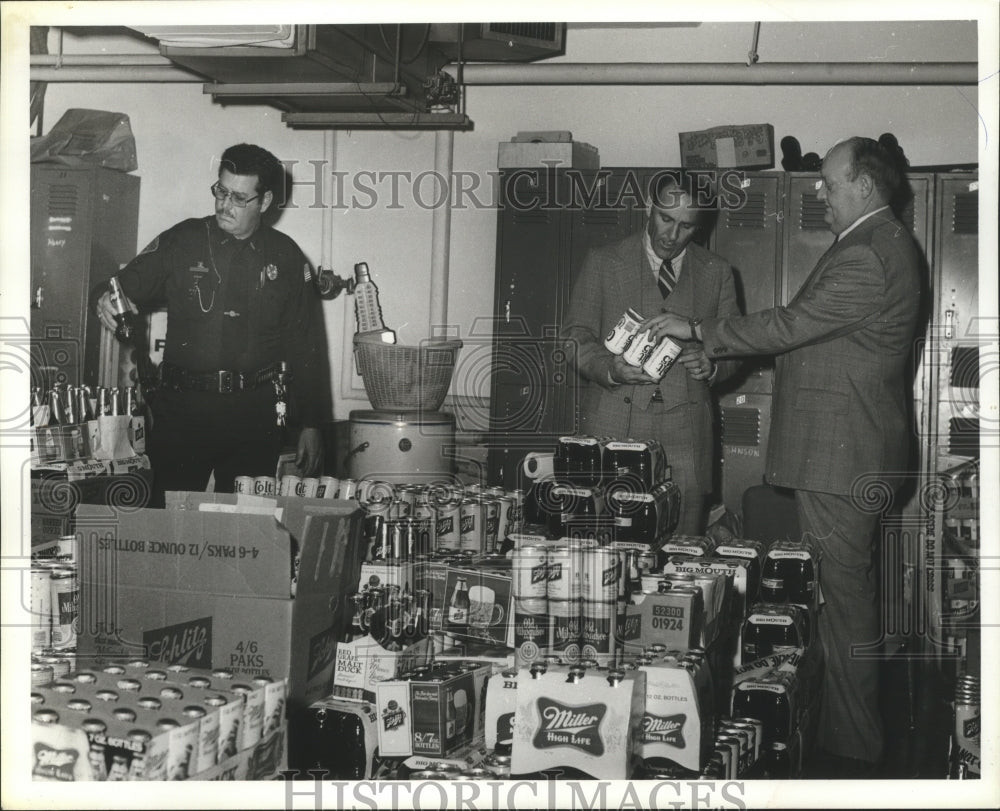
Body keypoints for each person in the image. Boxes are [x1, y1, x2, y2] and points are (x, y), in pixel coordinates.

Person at [640, 136, 920, 775]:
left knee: (845, 604)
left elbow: (796, 323)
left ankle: (854, 753)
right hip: (849, 451)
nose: (820, 193)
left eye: (828, 183)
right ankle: (846, 736)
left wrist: (701, 330)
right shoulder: (885, 244)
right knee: (844, 597)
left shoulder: (870, 254)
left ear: (866, 187)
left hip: (841, 454)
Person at [95, 143, 330, 505]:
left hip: (254, 417)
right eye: (221, 191)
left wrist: (313, 423)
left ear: (264, 202)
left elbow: (307, 345)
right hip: (183, 413)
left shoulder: (285, 257)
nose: (224, 205)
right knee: (167, 524)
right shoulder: (184, 241)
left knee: (243, 535)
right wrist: (106, 298)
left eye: (238, 197)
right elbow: (121, 285)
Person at [561, 171, 741, 535]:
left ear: (699, 226)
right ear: (649, 207)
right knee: (610, 546)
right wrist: (608, 368)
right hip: (613, 422)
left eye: (686, 227)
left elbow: (735, 344)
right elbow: (572, 339)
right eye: (665, 218)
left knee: (681, 549)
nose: (671, 236)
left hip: (686, 434)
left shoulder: (717, 272)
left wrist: (713, 364)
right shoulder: (603, 261)